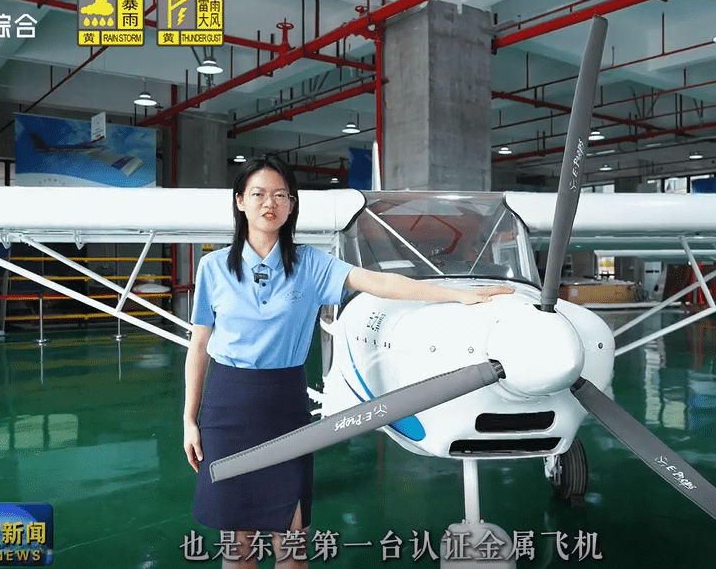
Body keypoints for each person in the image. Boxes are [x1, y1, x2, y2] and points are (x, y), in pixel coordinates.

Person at [182, 157, 513, 568]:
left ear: (291, 205)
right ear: (240, 201)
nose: (270, 203)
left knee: (293, 545)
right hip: (228, 407)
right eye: (259, 194)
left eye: (281, 195)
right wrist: (190, 419)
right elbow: (199, 346)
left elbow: (380, 282)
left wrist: (458, 295)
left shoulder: (311, 264)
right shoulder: (213, 268)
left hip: (284, 404)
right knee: (238, 545)